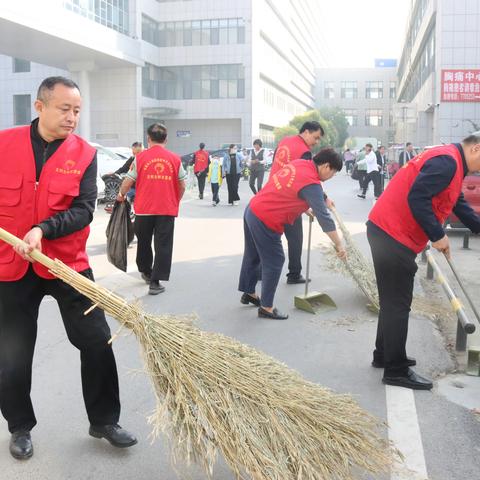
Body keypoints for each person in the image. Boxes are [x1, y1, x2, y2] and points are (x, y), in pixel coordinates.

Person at [0, 76, 137, 460]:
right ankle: (20, 426)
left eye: (77, 110)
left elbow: (83, 210)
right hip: (11, 263)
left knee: (96, 339)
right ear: (40, 107)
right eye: (64, 108)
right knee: (12, 351)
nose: (72, 117)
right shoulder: (4, 143)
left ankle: (104, 419)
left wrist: (42, 229)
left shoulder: (84, 153)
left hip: (65, 263)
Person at [367, 135, 480, 390]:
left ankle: (384, 354)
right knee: (398, 304)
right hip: (392, 234)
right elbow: (418, 197)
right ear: (476, 148)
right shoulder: (447, 162)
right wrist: (438, 235)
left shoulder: (452, 162)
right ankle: (395, 371)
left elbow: (456, 202)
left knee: (391, 301)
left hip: (388, 231)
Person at [238, 148, 346, 320]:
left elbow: (291, 189)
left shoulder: (300, 164)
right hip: (265, 218)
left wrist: (317, 202)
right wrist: (339, 244)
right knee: (275, 260)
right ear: (326, 166)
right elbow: (325, 218)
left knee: (253, 254)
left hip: (253, 209)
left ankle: (249, 293)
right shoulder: (312, 184)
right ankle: (266, 307)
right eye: (333, 173)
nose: (331, 177)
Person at [117, 123, 186, 295]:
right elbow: (182, 184)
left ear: (148, 139)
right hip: (166, 210)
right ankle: (155, 282)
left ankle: (146, 271)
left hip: (143, 210)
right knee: (163, 244)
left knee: (144, 242)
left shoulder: (139, 158)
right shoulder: (175, 159)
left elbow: (128, 180)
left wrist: (121, 195)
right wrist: (175, 199)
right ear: (166, 140)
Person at [270, 121, 325, 284]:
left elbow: (275, 164)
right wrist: (318, 201)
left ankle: (259, 272)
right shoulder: (304, 152)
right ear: (306, 132)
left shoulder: (285, 141)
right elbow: (306, 180)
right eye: (315, 137)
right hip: (288, 201)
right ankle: (294, 274)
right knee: (295, 239)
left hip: (271, 192)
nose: (316, 142)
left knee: (268, 237)